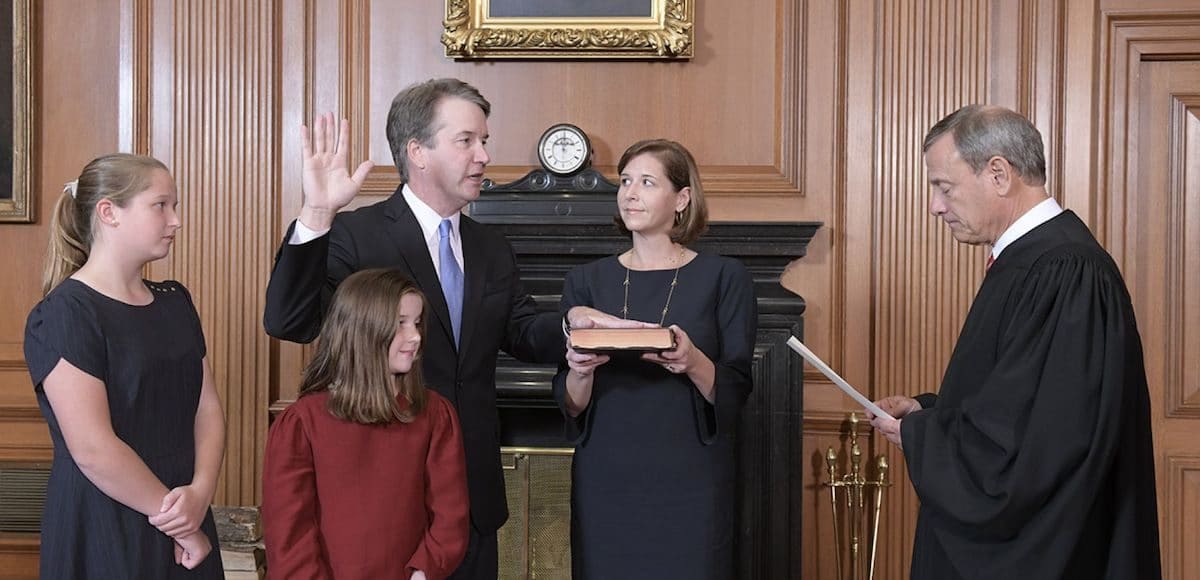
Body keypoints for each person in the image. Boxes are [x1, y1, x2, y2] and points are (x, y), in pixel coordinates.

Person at [262, 78, 624, 579]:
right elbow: (289, 321)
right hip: (389, 503)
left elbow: (520, 330)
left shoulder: (490, 246)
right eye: (467, 141)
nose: (483, 156)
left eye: (485, 141)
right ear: (419, 151)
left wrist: (570, 326)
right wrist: (319, 211)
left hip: (471, 502)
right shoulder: (354, 235)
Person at [867, 105, 1162, 579]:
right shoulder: (1035, 262)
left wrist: (924, 438)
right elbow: (1017, 405)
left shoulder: (1065, 271)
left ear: (999, 173)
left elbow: (1042, 447)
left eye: (944, 187)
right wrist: (931, 417)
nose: (935, 206)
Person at [553, 139, 757, 579]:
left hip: (690, 478)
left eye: (647, 182)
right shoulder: (585, 281)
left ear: (682, 198)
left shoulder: (725, 277)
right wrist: (579, 371)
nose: (630, 193)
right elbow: (570, 404)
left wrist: (692, 361)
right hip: (606, 477)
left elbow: (737, 387)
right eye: (625, 181)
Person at [24, 154, 226, 578]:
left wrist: (200, 495)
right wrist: (179, 524)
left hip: (186, 510)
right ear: (108, 212)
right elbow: (94, 449)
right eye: (161, 205)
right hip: (105, 523)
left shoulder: (176, 301)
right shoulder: (65, 313)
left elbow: (206, 409)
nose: (176, 220)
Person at [262, 268, 469, 580]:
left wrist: (422, 573)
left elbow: (450, 518)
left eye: (416, 323)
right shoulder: (302, 424)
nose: (415, 336)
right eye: (400, 324)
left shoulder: (435, 414)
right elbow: (289, 537)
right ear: (363, 330)